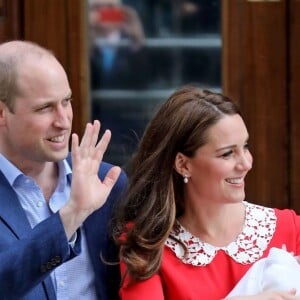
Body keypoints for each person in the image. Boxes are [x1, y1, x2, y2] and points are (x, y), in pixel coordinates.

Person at [112, 85, 300, 299]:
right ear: (183, 165)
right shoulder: (146, 247)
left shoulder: (289, 229)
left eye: (245, 147)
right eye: (227, 153)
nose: (246, 163)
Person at [0, 40, 127, 300]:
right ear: (2, 114)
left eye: (66, 101)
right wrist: (71, 215)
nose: (63, 120)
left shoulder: (107, 182)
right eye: (45, 108)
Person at [89, 0, 148, 90]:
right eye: (97, 8)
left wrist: (137, 41)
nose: (104, 12)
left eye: (110, 7)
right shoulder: (82, 42)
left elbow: (143, 82)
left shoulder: (130, 40)